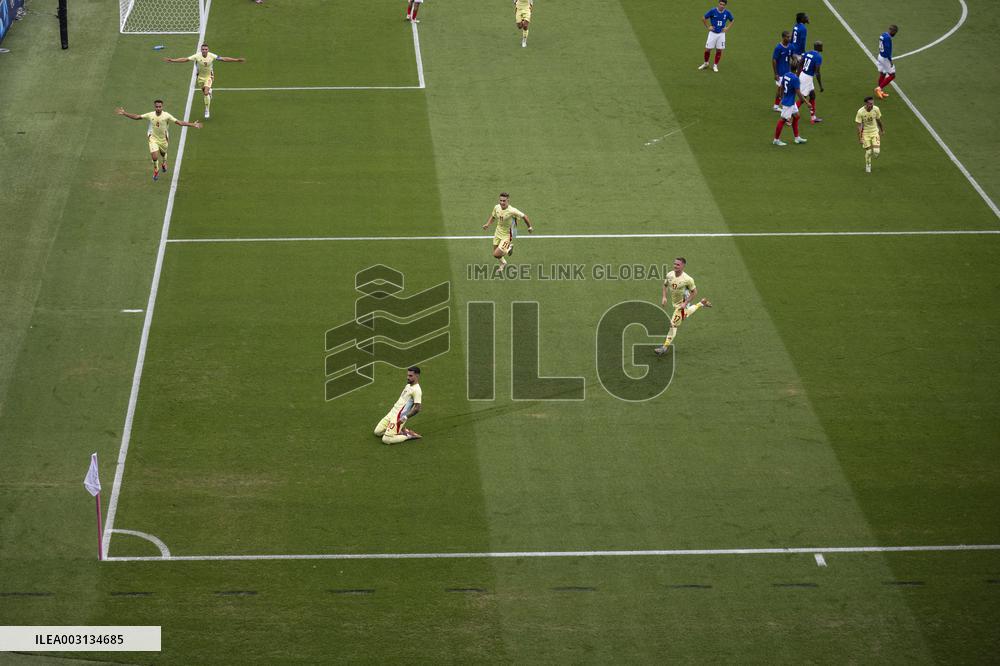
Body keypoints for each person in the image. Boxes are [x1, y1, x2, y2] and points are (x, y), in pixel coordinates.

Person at [115, 100, 201, 181]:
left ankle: (164, 163)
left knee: (163, 154)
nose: (158, 108)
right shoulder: (150, 114)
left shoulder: (167, 115)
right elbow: (137, 117)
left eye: (160, 106)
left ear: (162, 107)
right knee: (155, 156)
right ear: (154, 107)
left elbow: (179, 122)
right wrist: (124, 113)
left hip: (164, 139)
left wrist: (193, 124)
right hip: (153, 138)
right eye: (157, 106)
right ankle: (156, 169)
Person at [164, 43, 245, 119]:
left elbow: (223, 59)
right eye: (203, 49)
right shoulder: (197, 56)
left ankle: (207, 110)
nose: (204, 50)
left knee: (205, 92)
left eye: (206, 49)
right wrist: (172, 60)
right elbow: (185, 59)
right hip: (200, 78)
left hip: (209, 76)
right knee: (205, 93)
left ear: (208, 50)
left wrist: (237, 60)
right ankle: (210, 92)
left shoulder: (212, 56)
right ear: (201, 50)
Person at [654, 258, 712, 356]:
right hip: (676, 303)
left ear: (683, 266)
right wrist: (664, 297)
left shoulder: (688, 279)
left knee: (673, 325)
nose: (675, 266)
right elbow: (665, 285)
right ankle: (702, 303)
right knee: (684, 316)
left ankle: (664, 347)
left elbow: (694, 292)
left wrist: (685, 303)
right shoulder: (670, 275)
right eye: (674, 264)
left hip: (683, 304)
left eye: (678, 264)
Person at [373, 367, 423, 444]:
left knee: (386, 439)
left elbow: (417, 408)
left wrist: (405, 417)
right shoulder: (408, 386)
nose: (407, 378)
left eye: (410, 376)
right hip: (392, 412)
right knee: (377, 432)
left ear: (417, 376)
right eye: (407, 375)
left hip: (399, 416)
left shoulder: (417, 390)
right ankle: (398, 431)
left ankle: (408, 435)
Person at [483, 192, 533, 267]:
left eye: (504, 201)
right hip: (498, 232)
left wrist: (529, 227)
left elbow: (524, 216)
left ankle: (509, 247)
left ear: (508, 201)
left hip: (507, 235)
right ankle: (503, 263)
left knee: (496, 254)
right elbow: (493, 216)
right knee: (496, 253)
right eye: (501, 200)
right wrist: (487, 224)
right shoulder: (496, 207)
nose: (502, 202)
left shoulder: (512, 210)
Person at [773, 56, 807, 146]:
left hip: (789, 100)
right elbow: (799, 94)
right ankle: (776, 140)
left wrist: (781, 97)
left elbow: (781, 87)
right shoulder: (795, 79)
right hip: (789, 103)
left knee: (796, 116)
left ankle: (797, 138)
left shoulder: (786, 74)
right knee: (782, 120)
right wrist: (807, 103)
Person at [699, 0, 733, 72]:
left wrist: (727, 28)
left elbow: (732, 20)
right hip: (712, 33)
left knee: (719, 50)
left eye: (723, 5)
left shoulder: (727, 13)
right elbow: (703, 18)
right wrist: (708, 27)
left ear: (725, 5)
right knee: (708, 49)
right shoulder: (713, 11)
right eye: (720, 4)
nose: (721, 6)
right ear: (718, 4)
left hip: (721, 34)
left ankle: (715, 65)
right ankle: (706, 63)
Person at [855, 96, 884, 173]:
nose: (872, 105)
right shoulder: (860, 112)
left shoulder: (876, 109)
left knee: (876, 152)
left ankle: (874, 155)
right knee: (869, 152)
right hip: (865, 133)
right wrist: (860, 138)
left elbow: (878, 120)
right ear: (866, 104)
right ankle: (868, 165)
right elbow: (859, 126)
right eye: (870, 104)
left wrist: (882, 129)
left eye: (872, 103)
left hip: (874, 132)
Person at [798, 41, 824, 123]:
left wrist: (797, 74)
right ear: (818, 47)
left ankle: (813, 117)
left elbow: (800, 63)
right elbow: (817, 72)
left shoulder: (808, 52)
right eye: (821, 46)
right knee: (802, 99)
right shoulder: (818, 57)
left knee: (812, 95)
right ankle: (788, 117)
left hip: (803, 75)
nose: (822, 47)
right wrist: (820, 86)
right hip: (807, 78)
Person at [875, 24, 898, 99]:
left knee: (883, 73)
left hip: (880, 56)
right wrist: (890, 60)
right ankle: (879, 88)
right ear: (893, 31)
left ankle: (880, 91)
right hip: (885, 58)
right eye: (895, 32)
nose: (895, 34)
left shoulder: (883, 34)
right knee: (892, 75)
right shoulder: (888, 38)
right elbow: (887, 50)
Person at [771, 31, 792, 112]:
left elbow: (791, 55)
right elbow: (774, 60)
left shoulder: (790, 46)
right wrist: (776, 73)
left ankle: (777, 106)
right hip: (780, 72)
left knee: (782, 89)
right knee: (780, 89)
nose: (789, 38)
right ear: (783, 37)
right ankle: (780, 106)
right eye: (788, 37)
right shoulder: (778, 48)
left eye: (790, 37)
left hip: (787, 71)